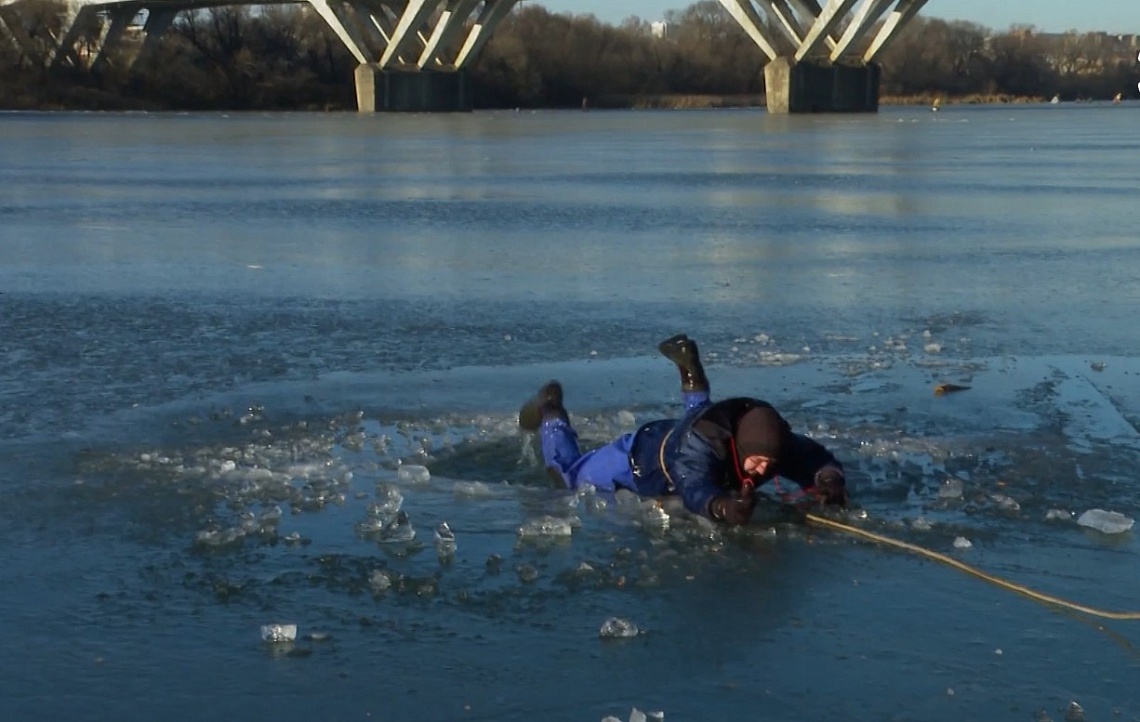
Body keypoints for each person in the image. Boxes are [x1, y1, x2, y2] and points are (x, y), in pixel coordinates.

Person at [518, 334, 848, 525]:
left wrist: (829, 481)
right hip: (640, 457)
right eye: (757, 461)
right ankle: (550, 410)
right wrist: (721, 507)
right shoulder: (699, 449)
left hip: (697, 427)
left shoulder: (772, 443)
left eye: (769, 463)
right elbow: (693, 486)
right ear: (740, 448)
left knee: (701, 418)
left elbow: (816, 458)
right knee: (568, 478)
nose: (764, 469)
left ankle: (691, 374)